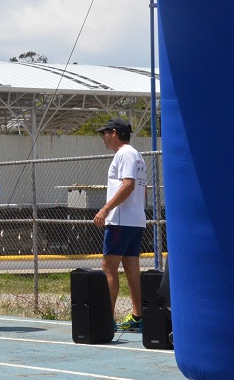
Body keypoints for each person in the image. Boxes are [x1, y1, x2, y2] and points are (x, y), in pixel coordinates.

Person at [93, 118, 148, 332]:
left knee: (108, 267)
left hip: (120, 220)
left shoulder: (124, 154)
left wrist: (105, 209)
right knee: (132, 268)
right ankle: (138, 316)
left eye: (104, 133)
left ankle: (106, 318)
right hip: (135, 220)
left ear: (114, 133)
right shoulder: (137, 155)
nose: (103, 138)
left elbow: (129, 184)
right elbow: (143, 189)